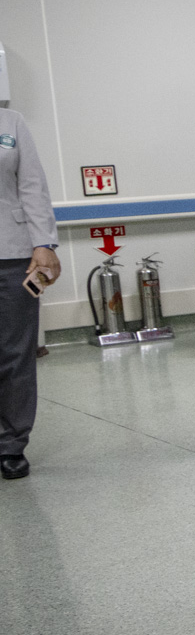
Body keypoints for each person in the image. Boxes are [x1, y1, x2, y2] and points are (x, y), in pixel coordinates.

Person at [1, 107, 57, 481]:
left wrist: (44, 243)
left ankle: (11, 444)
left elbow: (32, 185)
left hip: (14, 251)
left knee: (16, 354)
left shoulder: (11, 122)